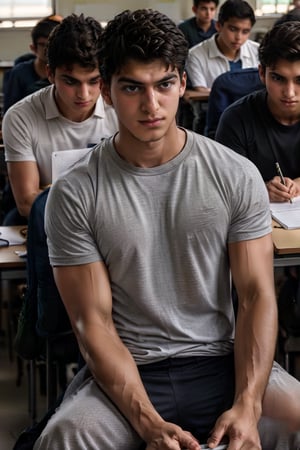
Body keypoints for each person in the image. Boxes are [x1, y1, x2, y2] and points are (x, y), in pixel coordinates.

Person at [34, 8, 300, 450]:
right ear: (107, 90)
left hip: (223, 361)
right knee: (65, 438)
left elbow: (256, 295)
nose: (151, 105)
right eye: (132, 87)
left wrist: (249, 404)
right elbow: (93, 323)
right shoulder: (75, 193)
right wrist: (147, 421)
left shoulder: (234, 174)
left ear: (181, 82)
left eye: (164, 85)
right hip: (129, 371)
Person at [2, 13, 118, 222]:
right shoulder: (20, 117)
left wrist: (49, 192)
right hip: (47, 222)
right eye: (71, 82)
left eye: (94, 81)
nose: (84, 94)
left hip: (109, 221)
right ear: (50, 74)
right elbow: (28, 203)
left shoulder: (121, 108)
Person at [215, 20, 300, 203]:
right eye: (278, 78)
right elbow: (225, 189)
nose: (290, 93)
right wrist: (261, 189)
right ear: (262, 73)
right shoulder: (235, 120)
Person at [185, 0, 259, 96]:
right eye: (233, 29)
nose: (239, 38)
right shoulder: (195, 55)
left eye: (245, 32)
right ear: (218, 26)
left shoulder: (257, 51)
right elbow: (200, 93)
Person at [3, 15, 63, 112]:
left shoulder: (65, 73)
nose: (49, 49)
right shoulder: (18, 74)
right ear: (33, 48)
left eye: (53, 45)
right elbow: (9, 111)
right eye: (43, 45)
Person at [177, 0, 218, 132]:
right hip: (189, 81)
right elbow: (179, 59)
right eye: (204, 9)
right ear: (195, 9)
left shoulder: (218, 28)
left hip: (210, 78)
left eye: (212, 9)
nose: (208, 13)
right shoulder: (184, 29)